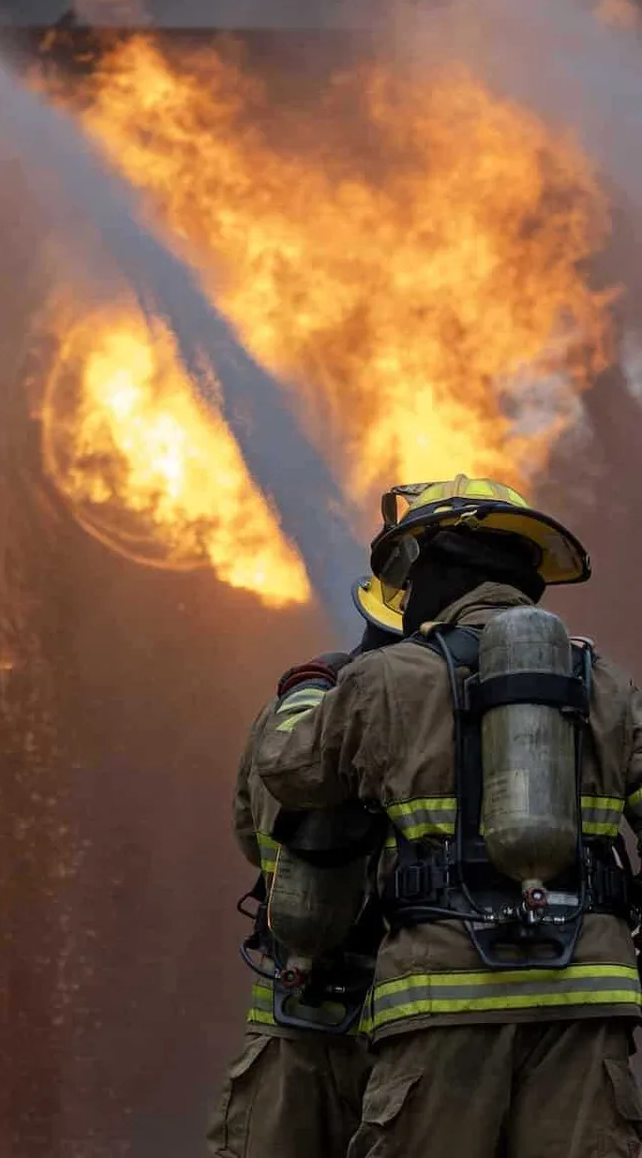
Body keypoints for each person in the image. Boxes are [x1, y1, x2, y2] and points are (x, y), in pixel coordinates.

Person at [256, 475, 642, 1158]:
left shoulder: (389, 678)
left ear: (442, 571)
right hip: (589, 992)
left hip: (442, 994)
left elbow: (290, 771)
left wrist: (306, 692)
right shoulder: (606, 684)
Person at [207, 575, 400, 1157]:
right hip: (412, 1031)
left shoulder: (289, 713)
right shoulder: (446, 719)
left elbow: (250, 833)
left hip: (294, 1016)